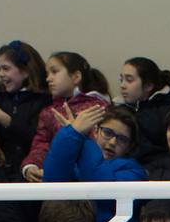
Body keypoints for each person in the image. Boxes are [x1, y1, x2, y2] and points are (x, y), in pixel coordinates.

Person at [40, 103, 147, 222]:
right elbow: (52, 181)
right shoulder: (77, 160)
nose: (112, 142)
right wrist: (72, 135)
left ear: (129, 147)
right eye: (108, 133)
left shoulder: (134, 171)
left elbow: (101, 185)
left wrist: (80, 137)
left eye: (122, 139)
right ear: (96, 131)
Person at [21, 52, 110, 180]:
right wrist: (31, 166)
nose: (48, 78)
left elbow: (100, 144)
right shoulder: (49, 112)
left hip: (90, 177)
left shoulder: (98, 107)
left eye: (54, 72)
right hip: (58, 178)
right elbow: (42, 144)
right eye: (47, 74)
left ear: (76, 77)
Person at [0, 40, 51, 173]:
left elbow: (38, 139)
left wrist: (6, 120)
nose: (1, 74)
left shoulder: (44, 99)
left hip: (31, 170)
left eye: (6, 68)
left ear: (25, 71)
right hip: (2, 172)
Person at [116, 57, 170, 165]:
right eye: (121, 80)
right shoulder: (121, 108)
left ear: (148, 86)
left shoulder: (165, 111)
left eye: (129, 80)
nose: (122, 86)